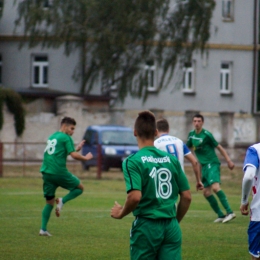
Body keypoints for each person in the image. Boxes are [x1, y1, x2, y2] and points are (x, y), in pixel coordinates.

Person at [111, 110, 191, 260]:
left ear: (135, 132)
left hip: (147, 226)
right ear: (156, 132)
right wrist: (174, 221)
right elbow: (186, 196)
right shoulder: (171, 160)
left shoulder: (133, 161)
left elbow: (135, 197)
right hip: (171, 226)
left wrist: (121, 213)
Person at [39, 117, 93, 236]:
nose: (73, 131)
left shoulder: (52, 136)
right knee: (79, 188)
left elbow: (61, 152)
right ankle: (62, 200)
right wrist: (85, 158)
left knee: (49, 202)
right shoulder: (66, 137)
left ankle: (43, 229)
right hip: (58, 172)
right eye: (72, 128)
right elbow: (73, 155)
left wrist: (77, 149)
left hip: (46, 173)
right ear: (64, 126)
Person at [186, 113, 236, 223]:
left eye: (199, 121)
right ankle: (221, 215)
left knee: (215, 188)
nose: (197, 123)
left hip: (212, 163)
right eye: (195, 121)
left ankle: (230, 212)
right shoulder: (191, 135)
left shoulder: (207, 134)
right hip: (203, 166)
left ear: (202, 122)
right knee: (206, 193)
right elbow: (187, 148)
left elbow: (219, 147)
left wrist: (228, 160)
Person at [154, 118, 203, 191]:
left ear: (156, 131)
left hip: (164, 179)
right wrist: (198, 181)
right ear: (168, 130)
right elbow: (195, 162)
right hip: (180, 179)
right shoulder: (179, 141)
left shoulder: (155, 144)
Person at [240, 143, 260, 259]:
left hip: (259, 215)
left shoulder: (255, 150)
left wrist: (244, 200)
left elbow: (249, 176)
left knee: (256, 256)